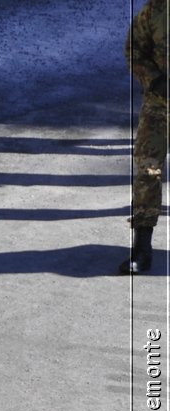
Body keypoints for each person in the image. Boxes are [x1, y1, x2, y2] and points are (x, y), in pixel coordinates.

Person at [123, 0, 168, 274]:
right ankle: (142, 246)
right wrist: (154, 80)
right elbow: (134, 48)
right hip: (160, 104)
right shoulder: (157, 8)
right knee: (147, 170)